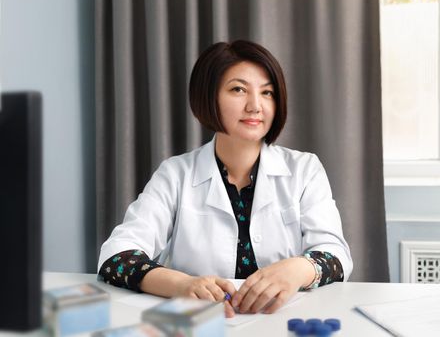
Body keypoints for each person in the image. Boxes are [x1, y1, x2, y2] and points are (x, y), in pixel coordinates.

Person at [98, 40, 352, 317]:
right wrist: (181, 285)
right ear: (208, 97)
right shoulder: (175, 174)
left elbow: (336, 256)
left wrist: (298, 269)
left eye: (267, 93)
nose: (255, 106)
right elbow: (116, 257)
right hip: (201, 323)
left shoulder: (305, 169)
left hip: (284, 320)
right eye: (238, 90)